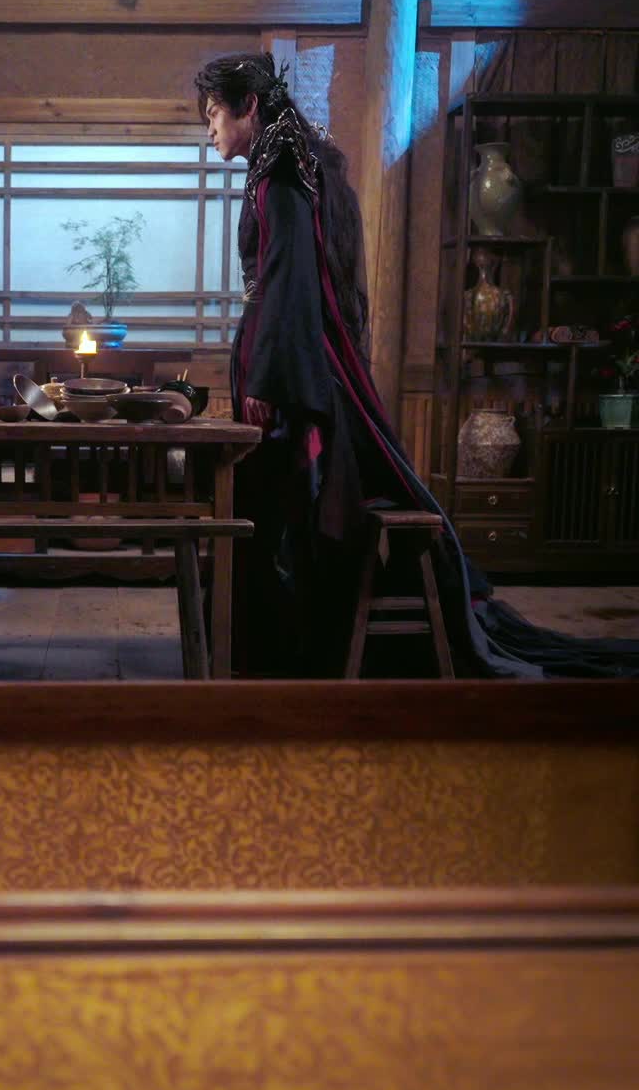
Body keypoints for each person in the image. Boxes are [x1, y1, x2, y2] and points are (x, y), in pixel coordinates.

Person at [196, 51, 639, 679]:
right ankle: (271, 652)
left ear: (248, 106)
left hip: (287, 371)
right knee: (265, 508)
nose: (210, 129)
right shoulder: (286, 161)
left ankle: (282, 656)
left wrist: (267, 380)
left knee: (267, 510)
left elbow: (288, 278)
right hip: (286, 358)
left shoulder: (281, 173)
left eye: (214, 113)